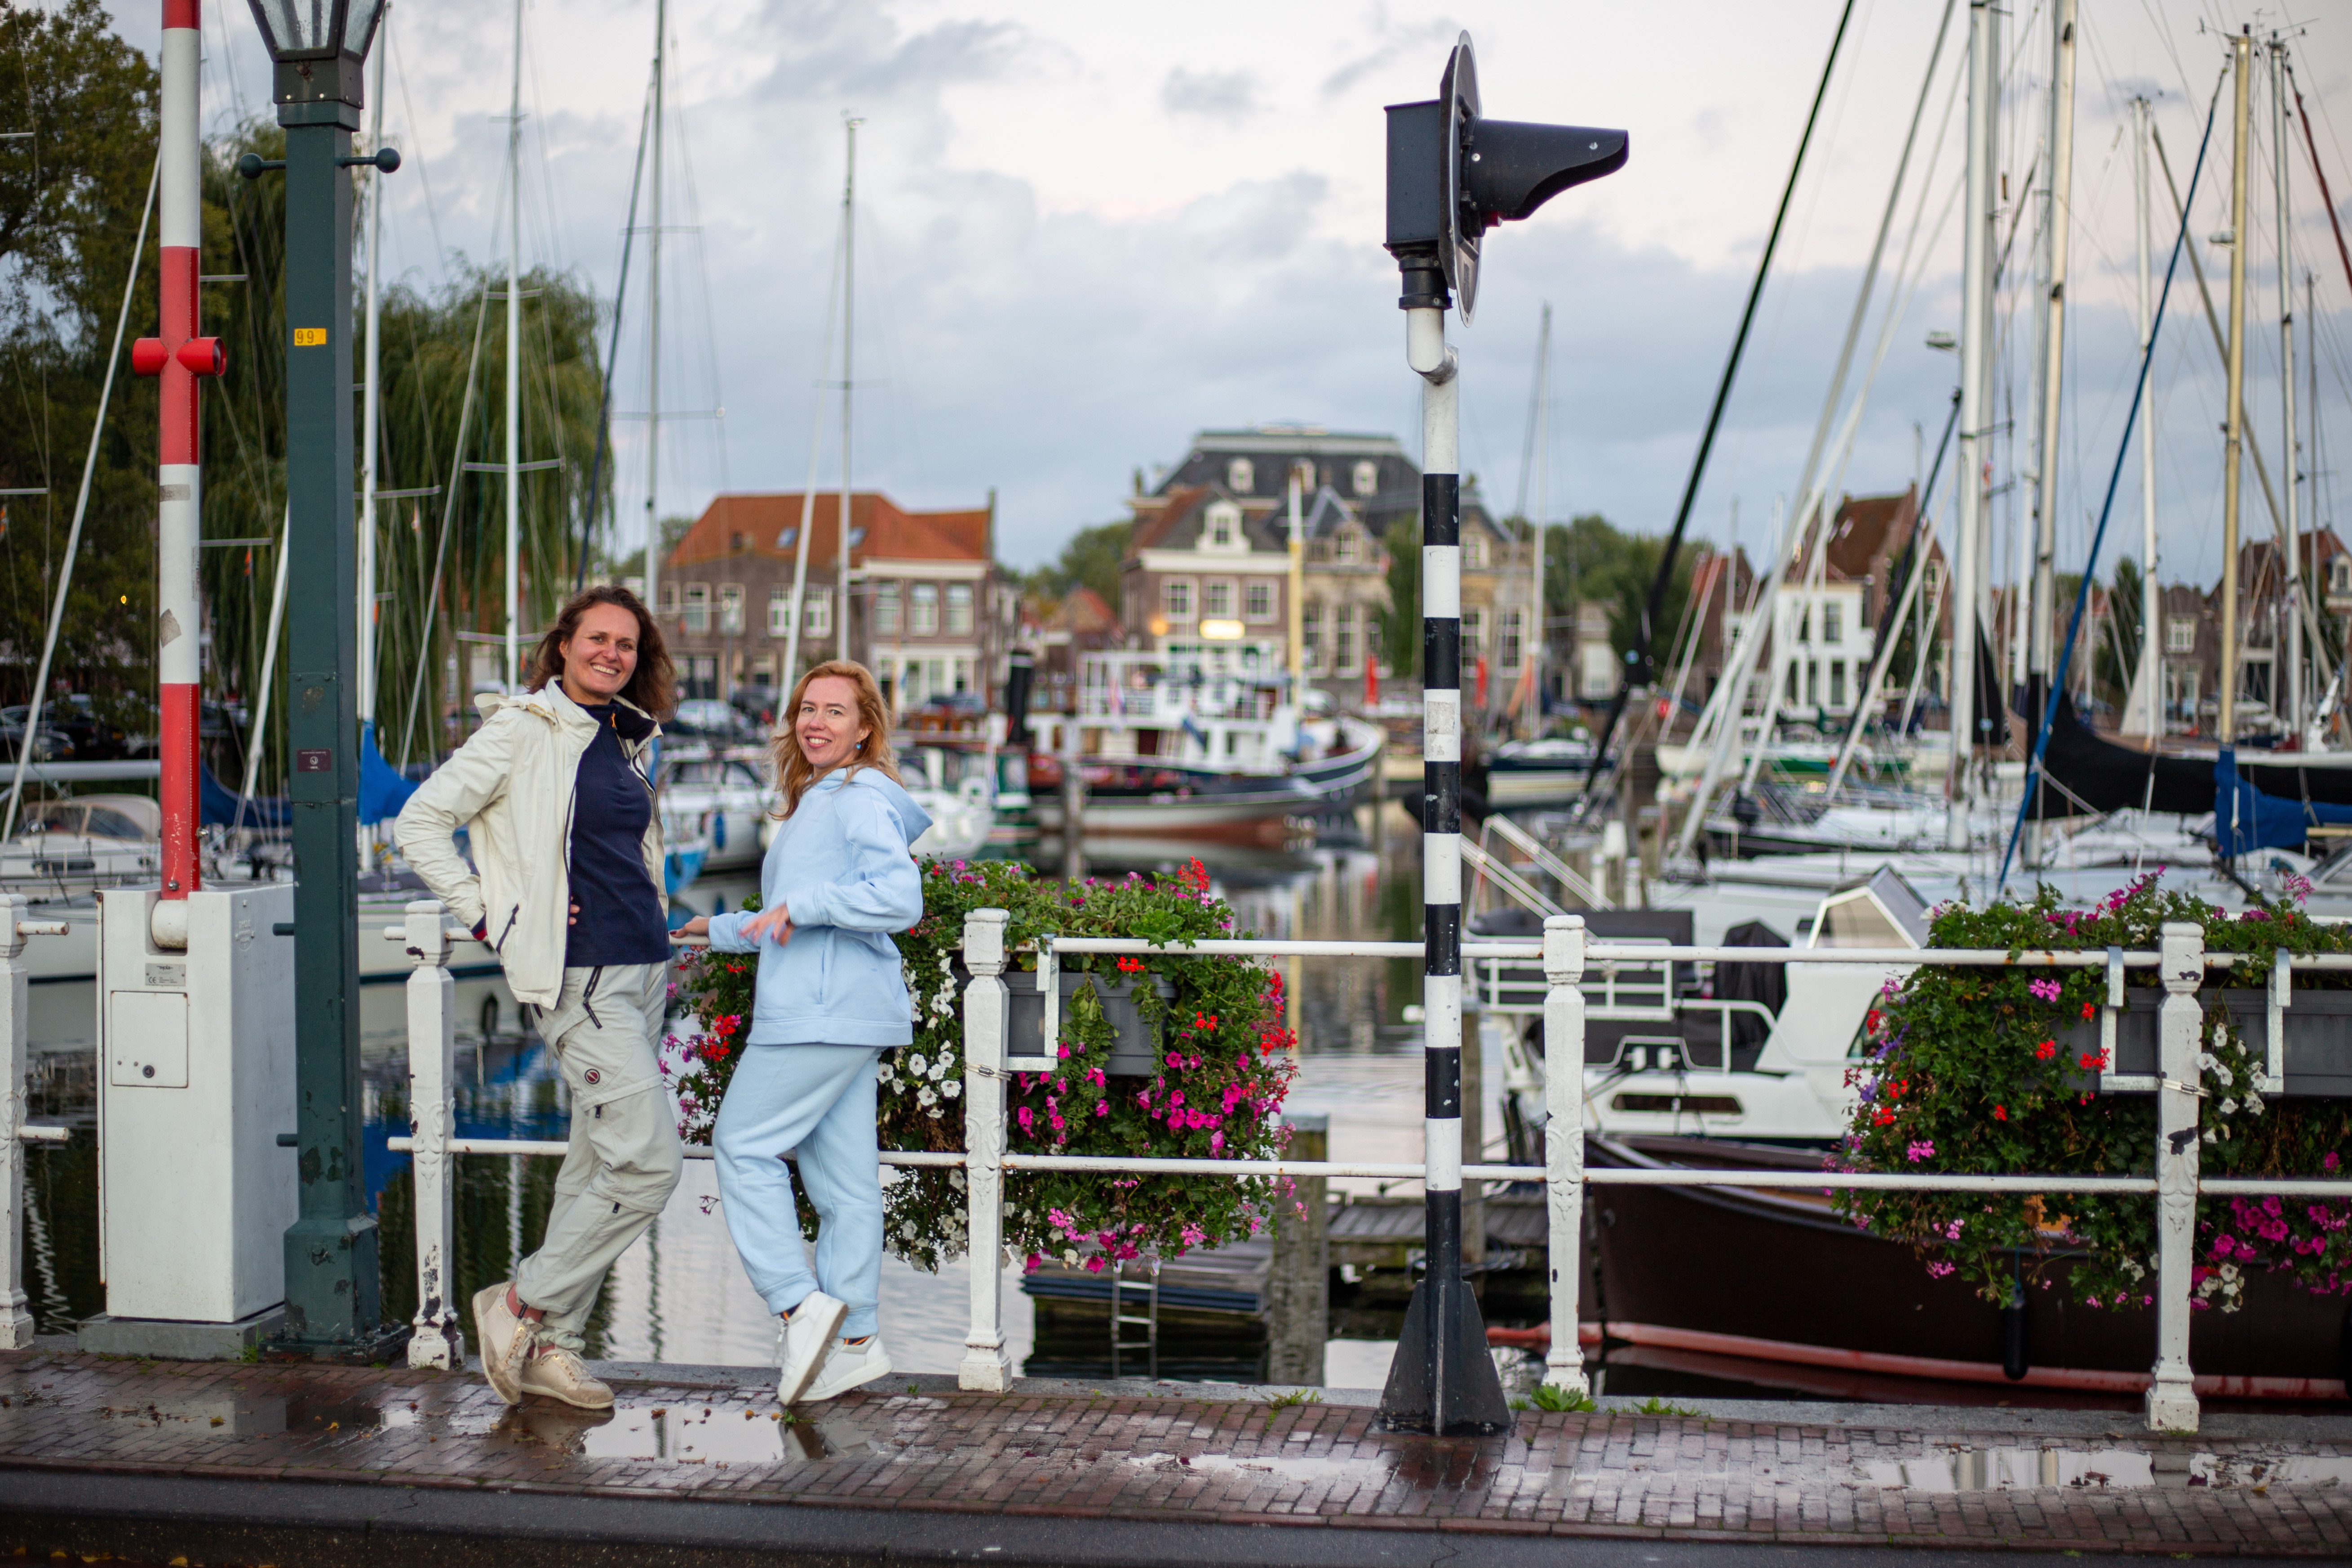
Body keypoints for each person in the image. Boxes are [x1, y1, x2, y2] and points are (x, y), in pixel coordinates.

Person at [395, 585, 684, 1411]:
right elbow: (419, 823)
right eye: (598, 638)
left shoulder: (624, 735)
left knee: (595, 1168)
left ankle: (555, 1345)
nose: (612, 653)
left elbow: (621, 854)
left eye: (626, 644)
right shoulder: (523, 728)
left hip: (644, 970)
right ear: (564, 645)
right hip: (580, 979)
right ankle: (520, 1304)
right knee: (651, 1163)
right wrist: (493, 916)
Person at [673, 660, 929, 1406]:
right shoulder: (824, 797)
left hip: (820, 1011)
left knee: (741, 1143)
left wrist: (807, 904)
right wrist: (720, 928)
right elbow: (789, 916)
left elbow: (900, 897)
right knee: (844, 1188)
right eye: (807, 708)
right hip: (841, 1009)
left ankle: (797, 1302)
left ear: (865, 729)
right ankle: (854, 1343)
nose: (816, 721)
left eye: (835, 711)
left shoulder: (856, 796)